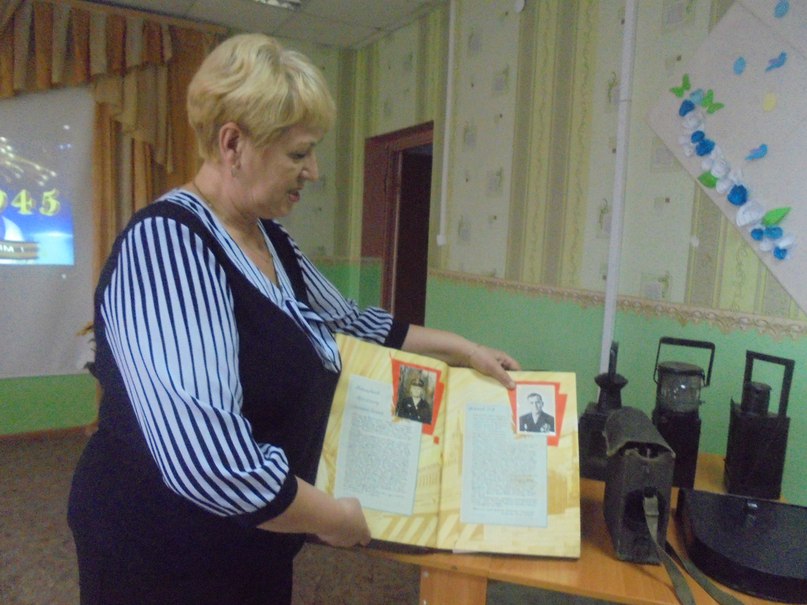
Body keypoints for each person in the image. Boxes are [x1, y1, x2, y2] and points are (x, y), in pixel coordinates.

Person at [67, 33, 521, 605]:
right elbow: (211, 464)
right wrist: (333, 517)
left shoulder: (270, 238)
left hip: (255, 539)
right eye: (299, 154)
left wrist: (465, 350)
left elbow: (352, 323)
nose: (314, 172)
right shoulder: (167, 245)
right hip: (164, 552)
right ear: (233, 144)